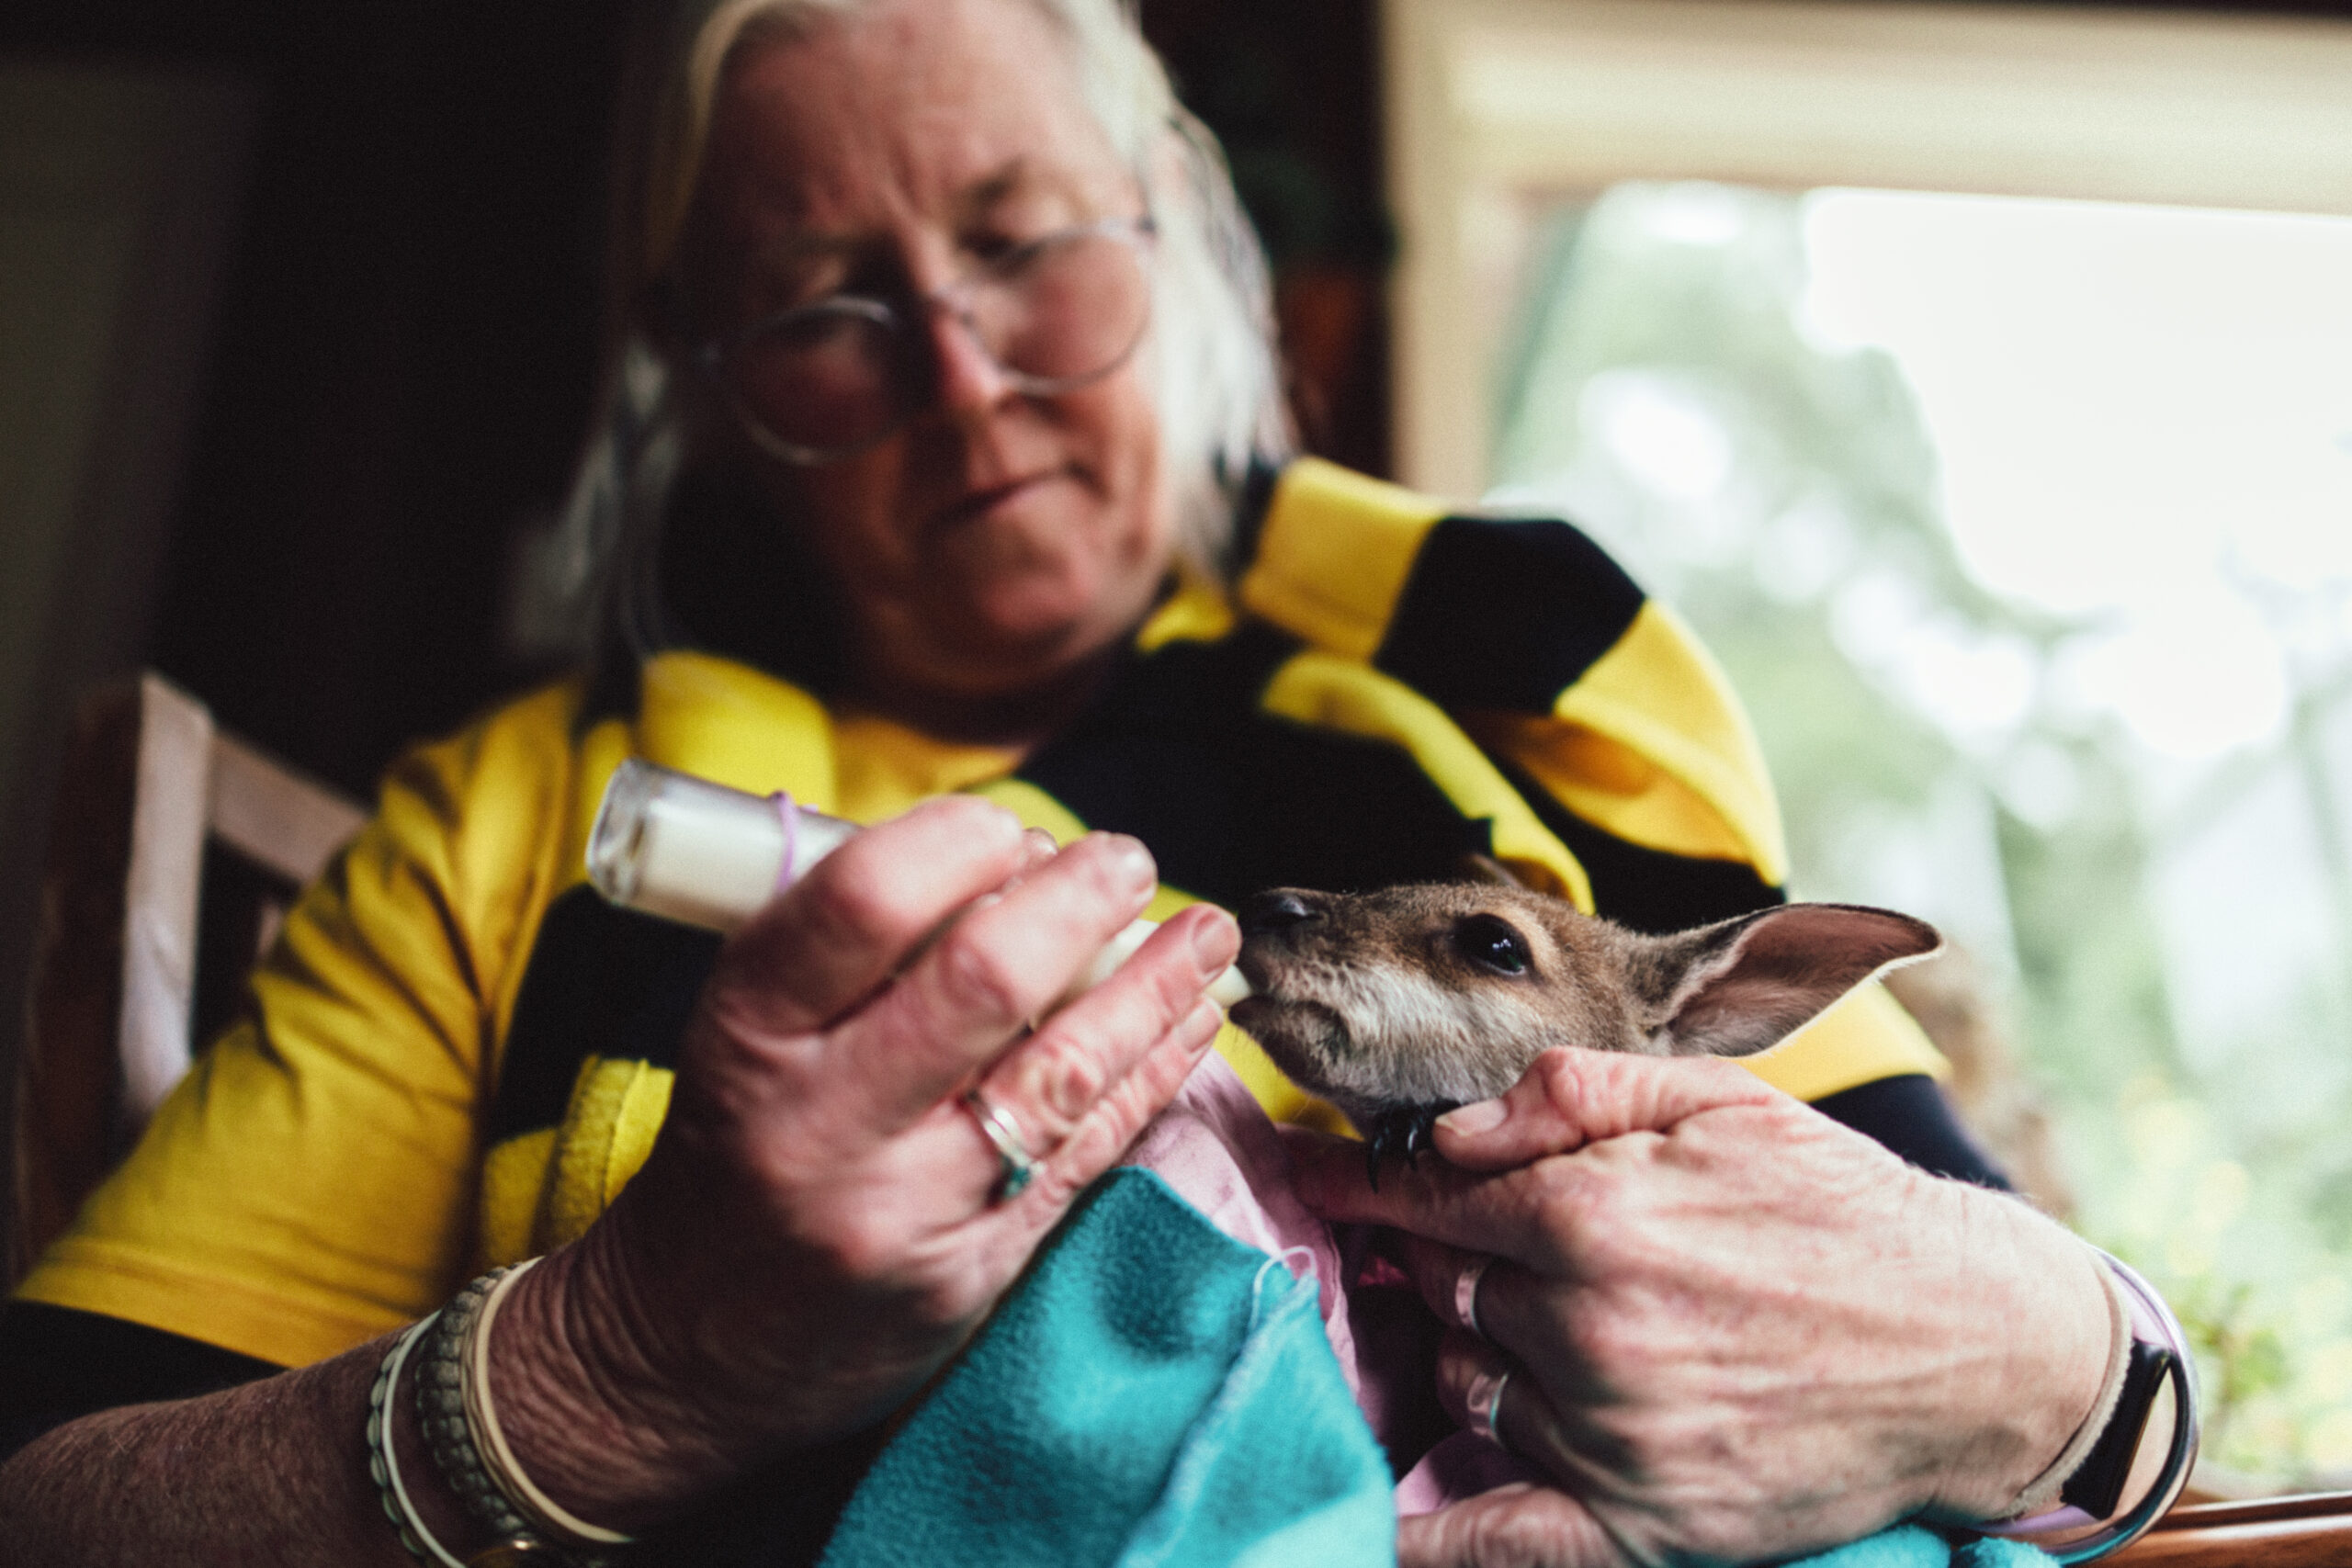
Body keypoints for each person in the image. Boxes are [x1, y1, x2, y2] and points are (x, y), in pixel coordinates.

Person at [0, 0, 2188, 1562]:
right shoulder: (523, 821)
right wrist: (621, 1359)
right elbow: (52, 1484)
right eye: (826, 304)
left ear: (1181, 231)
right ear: (715, 383)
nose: (961, 386)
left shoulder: (1518, 685)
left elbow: (2003, 1309)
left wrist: (2039, 1358)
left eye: (1024, 236)